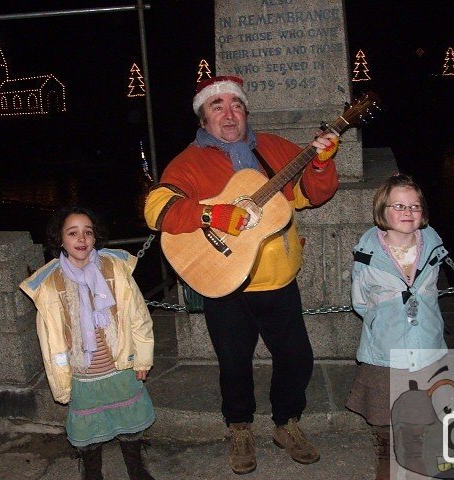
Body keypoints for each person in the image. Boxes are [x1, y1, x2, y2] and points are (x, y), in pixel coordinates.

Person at [144, 76, 339, 475]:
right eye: (217, 107)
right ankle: (240, 428)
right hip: (224, 281)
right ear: (203, 119)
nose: (228, 114)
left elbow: (313, 194)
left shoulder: (275, 150)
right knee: (234, 365)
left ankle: (286, 424)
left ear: (246, 112)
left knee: (297, 360)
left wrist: (321, 162)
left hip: (280, 278)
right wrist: (212, 214)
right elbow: (157, 209)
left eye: (236, 105)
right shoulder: (189, 162)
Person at [20, 206, 156, 480]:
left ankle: (136, 469)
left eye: (87, 232)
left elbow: (138, 316)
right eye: (73, 233)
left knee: (130, 422)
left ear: (95, 238)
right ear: (61, 240)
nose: (81, 239)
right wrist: (61, 384)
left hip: (120, 364)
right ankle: (92, 473)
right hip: (83, 373)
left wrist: (142, 358)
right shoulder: (50, 284)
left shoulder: (114, 268)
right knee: (88, 431)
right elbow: (50, 343)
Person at [346, 174, 448, 480]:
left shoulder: (432, 246)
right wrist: (384, 321)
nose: (408, 212)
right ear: (383, 211)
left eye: (415, 206)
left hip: (427, 346)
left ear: (423, 212)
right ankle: (386, 455)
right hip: (385, 350)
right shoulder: (367, 255)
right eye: (399, 205)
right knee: (384, 413)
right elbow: (360, 301)